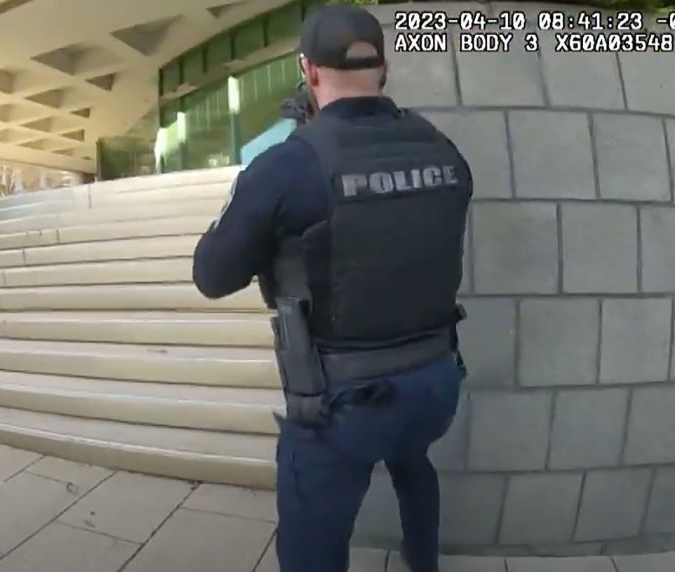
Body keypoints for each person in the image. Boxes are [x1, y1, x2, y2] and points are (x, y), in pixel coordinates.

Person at [191, 4, 473, 572]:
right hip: (435, 383)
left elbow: (212, 276)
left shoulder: (287, 165)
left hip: (343, 405)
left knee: (311, 546)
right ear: (384, 67)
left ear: (309, 71)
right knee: (414, 465)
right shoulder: (444, 149)